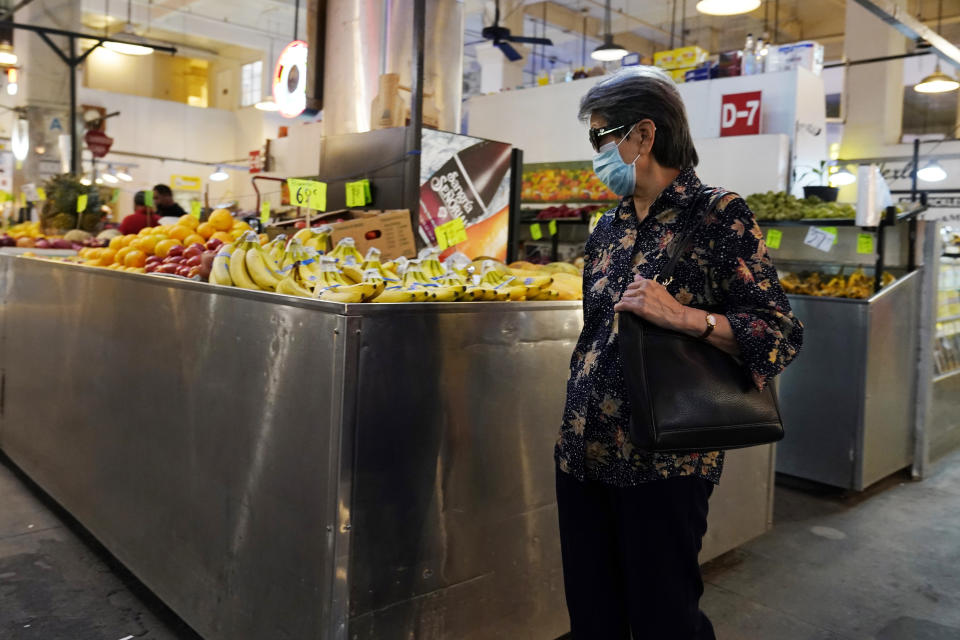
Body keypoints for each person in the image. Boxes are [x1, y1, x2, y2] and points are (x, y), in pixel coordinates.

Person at [555, 66, 804, 639]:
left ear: (643, 135)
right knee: (592, 614)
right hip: (580, 449)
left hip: (664, 460)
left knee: (664, 616)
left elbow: (780, 332)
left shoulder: (719, 216)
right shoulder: (607, 227)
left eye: (600, 138)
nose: (595, 154)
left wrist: (685, 317)